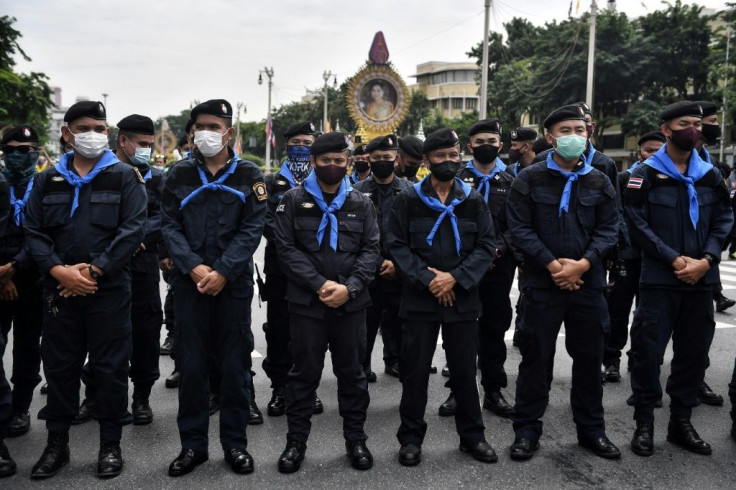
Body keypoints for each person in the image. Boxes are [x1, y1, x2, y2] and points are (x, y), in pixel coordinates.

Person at [24, 100, 147, 478]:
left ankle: (110, 445)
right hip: (59, 291)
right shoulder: (47, 178)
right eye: (84, 128)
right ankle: (56, 445)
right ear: (67, 134)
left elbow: (133, 229)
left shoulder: (125, 175)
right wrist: (60, 271)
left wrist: (92, 272)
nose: (93, 135)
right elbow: (33, 230)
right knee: (60, 369)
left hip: (107, 291)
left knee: (110, 369)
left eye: (99, 128)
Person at [506, 104, 620, 461]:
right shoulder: (530, 178)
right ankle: (526, 431)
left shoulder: (599, 178)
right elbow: (519, 228)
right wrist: (554, 265)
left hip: (588, 284)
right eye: (566, 130)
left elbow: (609, 228)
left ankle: (592, 431)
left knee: (589, 360)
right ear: (551, 137)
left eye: (580, 129)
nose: (574, 136)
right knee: (536, 359)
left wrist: (582, 265)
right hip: (543, 284)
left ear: (589, 134)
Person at [161, 99, 266, 476]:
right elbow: (169, 226)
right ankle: (193, 447)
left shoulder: (250, 174)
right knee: (192, 368)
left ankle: (235, 446)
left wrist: (222, 270)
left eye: (214, 126)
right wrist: (193, 267)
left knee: (235, 368)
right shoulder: (177, 175)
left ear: (229, 132)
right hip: (190, 287)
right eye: (200, 126)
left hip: (232, 287)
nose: (206, 132)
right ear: (191, 132)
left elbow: (252, 229)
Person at [625, 101, 733, 457]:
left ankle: (681, 422)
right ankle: (644, 423)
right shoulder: (645, 173)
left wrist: (707, 259)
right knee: (647, 353)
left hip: (701, 280)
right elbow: (636, 223)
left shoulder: (710, 174)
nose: (694, 129)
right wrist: (673, 258)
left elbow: (723, 219)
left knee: (692, 354)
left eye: (698, 123)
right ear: (667, 129)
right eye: (684, 123)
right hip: (660, 279)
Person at [388, 128, 497, 466]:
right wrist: (428, 279)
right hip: (421, 298)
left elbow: (485, 245)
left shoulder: (472, 199)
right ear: (426, 161)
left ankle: (473, 436)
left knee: (465, 372)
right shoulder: (407, 199)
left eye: (453, 155)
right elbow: (396, 245)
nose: (449, 162)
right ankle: (410, 438)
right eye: (440, 156)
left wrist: (455, 279)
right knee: (415, 373)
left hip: (461, 297)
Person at [273, 132, 379, 473]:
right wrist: (320, 285)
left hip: (351, 304)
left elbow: (370, 250)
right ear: (314, 163)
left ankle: (356, 440)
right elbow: (286, 249)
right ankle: (295, 443)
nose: (332, 166)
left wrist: (350, 287)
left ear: (348, 162)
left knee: (353, 374)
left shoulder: (362, 203)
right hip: (308, 304)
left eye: (339, 160)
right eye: (325, 161)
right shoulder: (292, 200)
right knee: (303, 375)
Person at [450, 119, 516, 418]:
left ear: (500, 145)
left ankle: (493, 390)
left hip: (499, 265)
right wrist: (476, 255)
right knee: (462, 330)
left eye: (492, 140)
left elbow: (520, 223)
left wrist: (495, 249)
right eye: (480, 141)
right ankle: (457, 391)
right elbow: (451, 223)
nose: (486, 145)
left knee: (494, 327)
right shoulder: (456, 179)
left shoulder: (513, 181)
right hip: (463, 266)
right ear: (469, 146)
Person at [262, 121, 323, 417]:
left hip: (315, 270)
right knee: (279, 329)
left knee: (309, 332)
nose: (301, 146)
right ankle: (280, 388)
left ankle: (307, 389)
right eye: (295, 142)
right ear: (285, 147)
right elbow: (265, 221)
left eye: (307, 142)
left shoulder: (325, 179)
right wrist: (292, 247)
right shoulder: (272, 182)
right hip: (280, 269)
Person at [602, 131, 666, 383]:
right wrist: (616, 250)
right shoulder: (623, 179)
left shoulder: (670, 179)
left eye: (659, 149)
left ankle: (641, 360)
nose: (654, 155)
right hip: (626, 255)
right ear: (639, 152)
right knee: (617, 310)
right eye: (649, 150)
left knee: (649, 314)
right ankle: (611, 359)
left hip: (658, 258)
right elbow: (614, 215)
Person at [354, 135, 413, 381]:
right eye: (376, 158)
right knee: (364, 329)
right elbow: (354, 236)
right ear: (369, 159)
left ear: (396, 159)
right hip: (368, 273)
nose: (381, 162)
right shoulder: (357, 192)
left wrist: (397, 265)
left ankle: (402, 368)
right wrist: (378, 263)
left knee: (403, 329)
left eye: (386, 158)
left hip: (401, 274)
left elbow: (415, 236)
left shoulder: (410, 191)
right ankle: (362, 370)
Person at [0, 125, 43, 441]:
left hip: (33, 278)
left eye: (24, 150)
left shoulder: (46, 185)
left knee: (28, 346)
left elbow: (44, 234)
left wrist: (14, 268)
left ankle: (20, 407)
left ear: (36, 152)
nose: (17, 155)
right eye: (10, 150)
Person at [696, 100, 736, 318]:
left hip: (707, 239)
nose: (716, 126)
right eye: (711, 121)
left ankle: (717, 295)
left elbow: (723, 211)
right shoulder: (659, 166)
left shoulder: (710, 162)